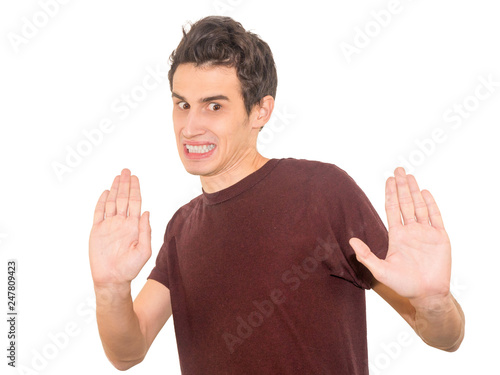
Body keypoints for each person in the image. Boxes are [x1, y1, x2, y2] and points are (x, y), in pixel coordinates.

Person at [88, 16, 465, 374]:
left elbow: (444, 336)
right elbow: (128, 352)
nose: (190, 126)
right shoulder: (181, 228)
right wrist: (111, 288)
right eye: (182, 104)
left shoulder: (322, 192)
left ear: (260, 111)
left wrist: (433, 302)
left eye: (214, 106)